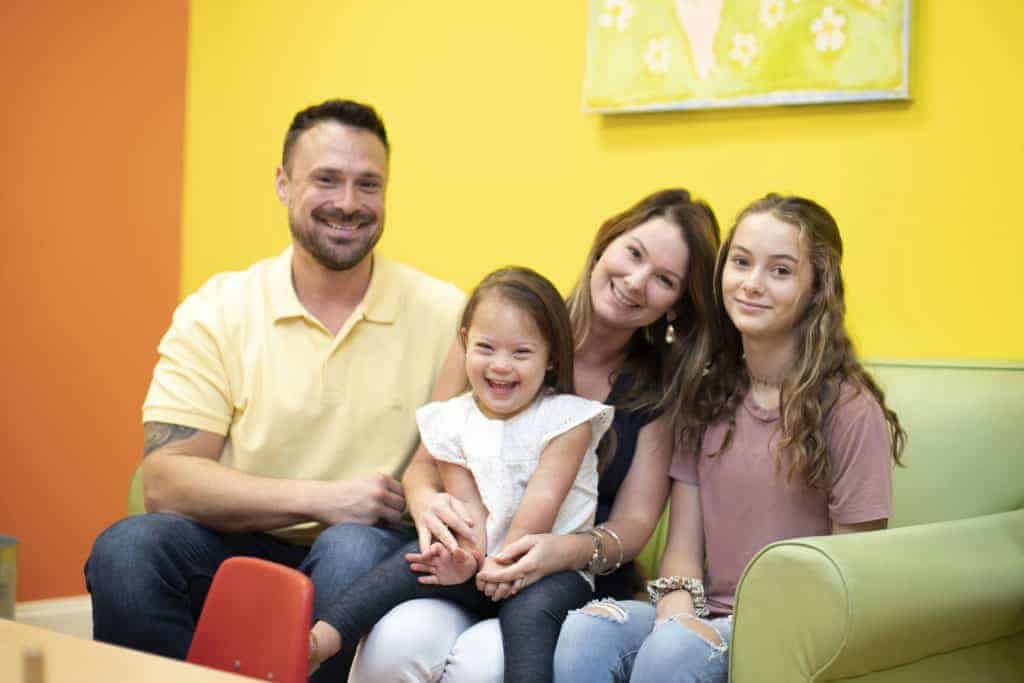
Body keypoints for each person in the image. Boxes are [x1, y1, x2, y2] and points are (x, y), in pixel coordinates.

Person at [83, 99, 465, 682]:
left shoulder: (445, 314)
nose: (347, 203)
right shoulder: (218, 310)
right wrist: (326, 498)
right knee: (128, 550)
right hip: (232, 542)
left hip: (370, 551)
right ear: (284, 185)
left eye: (368, 184)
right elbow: (165, 481)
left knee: (352, 547)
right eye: (326, 180)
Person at [348, 189, 723, 682]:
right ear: (606, 242)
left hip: (562, 584)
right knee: (397, 642)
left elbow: (634, 522)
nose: (635, 282)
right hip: (464, 561)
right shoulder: (498, 326)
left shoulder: (657, 389)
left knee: (484, 664)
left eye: (663, 280)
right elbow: (426, 461)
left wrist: (561, 551)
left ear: (675, 306)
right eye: (633, 253)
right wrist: (423, 502)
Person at [553, 194, 907, 682]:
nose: (752, 284)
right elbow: (682, 548)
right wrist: (677, 613)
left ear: (816, 289)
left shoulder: (848, 410)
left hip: (791, 629)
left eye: (780, 271)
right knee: (588, 631)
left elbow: (849, 575)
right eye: (741, 263)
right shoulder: (707, 395)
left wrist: (685, 637)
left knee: (674, 653)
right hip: (704, 616)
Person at [307, 266, 614, 682]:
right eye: (486, 348)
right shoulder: (450, 421)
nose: (501, 366)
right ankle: (317, 643)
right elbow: (466, 506)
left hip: (544, 571)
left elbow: (540, 506)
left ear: (551, 358)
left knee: (529, 617)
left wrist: (501, 567)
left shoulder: (567, 421)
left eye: (521, 353)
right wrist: (463, 560)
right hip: (478, 565)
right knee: (408, 563)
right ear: (466, 343)